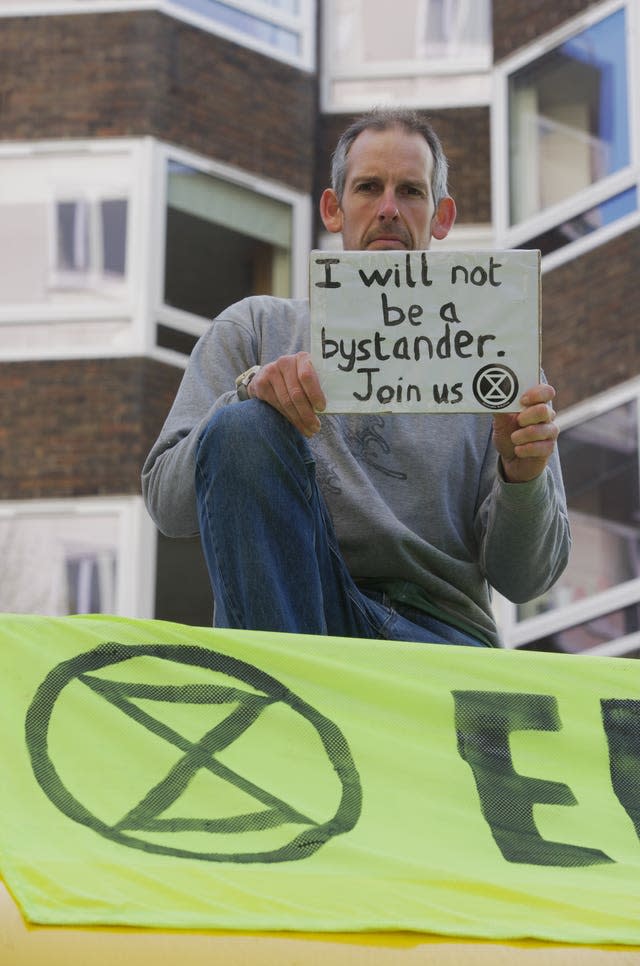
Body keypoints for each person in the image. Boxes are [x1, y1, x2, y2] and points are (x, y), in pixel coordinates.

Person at [142, 108, 570, 648]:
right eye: (369, 187)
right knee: (243, 425)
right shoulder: (255, 328)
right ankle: (290, 698)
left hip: (438, 635)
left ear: (442, 217)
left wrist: (522, 477)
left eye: (411, 192)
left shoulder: (496, 357)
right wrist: (247, 394)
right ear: (334, 208)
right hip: (296, 619)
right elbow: (168, 505)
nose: (389, 209)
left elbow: (528, 579)